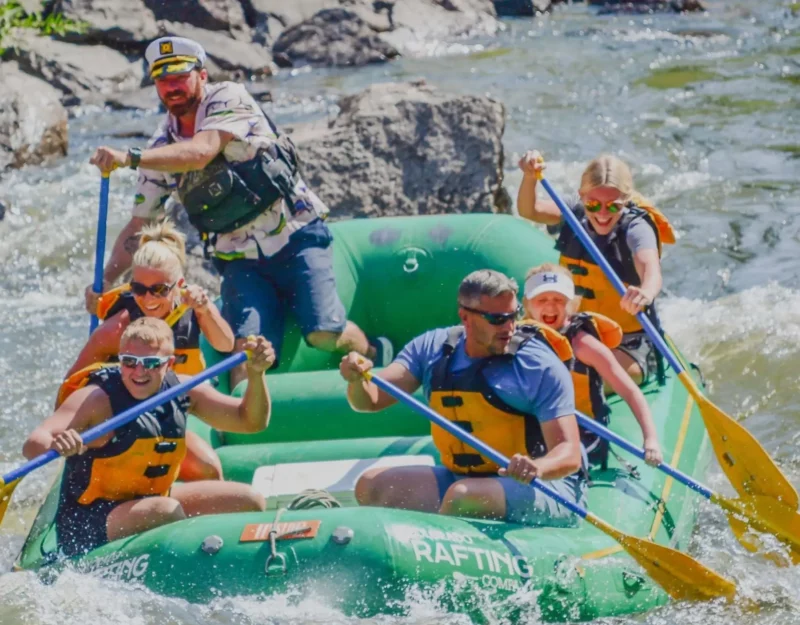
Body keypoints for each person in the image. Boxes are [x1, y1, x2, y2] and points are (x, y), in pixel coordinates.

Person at [85, 36, 392, 390]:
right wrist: (106, 281)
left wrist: (130, 157)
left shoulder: (228, 97)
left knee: (323, 333)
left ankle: (373, 351)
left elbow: (202, 151)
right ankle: (252, 431)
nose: (171, 87)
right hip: (239, 258)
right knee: (246, 354)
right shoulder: (160, 149)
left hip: (297, 236)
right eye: (162, 80)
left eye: (179, 77)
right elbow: (141, 224)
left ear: (201, 75)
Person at [339, 270, 585, 527]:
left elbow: (569, 455)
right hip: (463, 480)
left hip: (544, 487)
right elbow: (369, 401)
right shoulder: (431, 348)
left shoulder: (538, 365)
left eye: (513, 316)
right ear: (465, 317)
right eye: (497, 319)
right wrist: (357, 380)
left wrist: (538, 467)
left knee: (463, 497)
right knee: (371, 486)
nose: (509, 327)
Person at [23, 318, 273, 557]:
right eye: (129, 362)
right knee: (164, 511)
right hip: (90, 519)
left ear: (170, 363)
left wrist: (256, 375)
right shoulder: (96, 400)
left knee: (249, 500)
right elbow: (34, 443)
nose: (138, 371)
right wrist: (57, 443)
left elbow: (250, 421)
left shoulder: (185, 390)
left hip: (153, 500)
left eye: (151, 363)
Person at [59, 220, 232, 481]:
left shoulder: (192, 308)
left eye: (160, 289)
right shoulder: (116, 330)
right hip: (123, 416)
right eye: (139, 289)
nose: (149, 299)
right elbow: (70, 386)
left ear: (179, 284)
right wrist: (69, 433)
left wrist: (205, 309)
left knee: (210, 470)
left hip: (175, 407)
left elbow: (225, 345)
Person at [517, 152, 676, 385]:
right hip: (574, 330)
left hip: (629, 344)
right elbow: (529, 211)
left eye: (613, 207)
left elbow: (651, 269)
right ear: (582, 197)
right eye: (593, 204)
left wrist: (646, 292)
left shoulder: (637, 228)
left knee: (576, 381)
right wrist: (529, 177)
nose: (602, 213)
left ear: (626, 200)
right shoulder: (573, 211)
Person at [522, 264, 663, 468]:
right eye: (541, 300)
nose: (550, 307)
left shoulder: (584, 345)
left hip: (582, 435)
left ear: (571, 304)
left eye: (559, 300)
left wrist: (651, 440)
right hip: (536, 430)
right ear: (527, 305)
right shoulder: (518, 337)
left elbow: (630, 391)